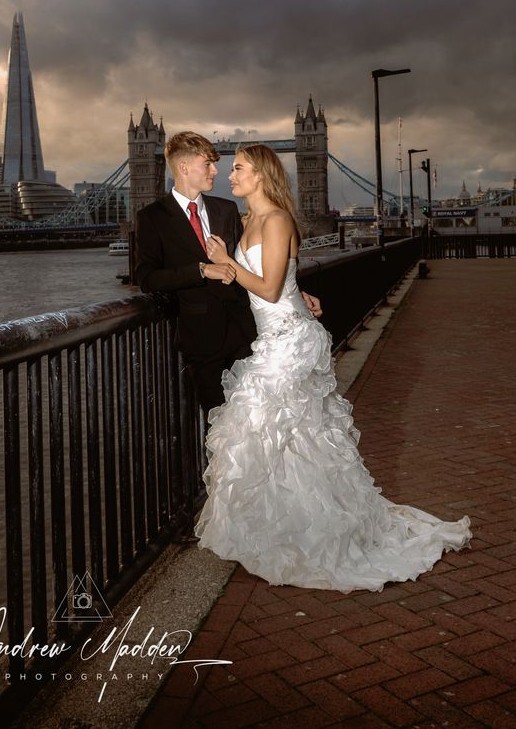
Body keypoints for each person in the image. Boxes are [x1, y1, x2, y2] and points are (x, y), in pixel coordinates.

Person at [195, 144, 471, 591]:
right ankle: (286, 526)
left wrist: (226, 263)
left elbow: (266, 288)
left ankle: (316, 531)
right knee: (289, 435)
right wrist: (294, 290)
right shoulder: (243, 222)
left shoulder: (279, 219)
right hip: (271, 338)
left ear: (261, 174)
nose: (230, 175)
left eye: (239, 168)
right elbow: (281, 280)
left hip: (292, 343)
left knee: (275, 425)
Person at [135, 131, 323, 416]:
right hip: (202, 341)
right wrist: (201, 270)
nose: (216, 171)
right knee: (223, 430)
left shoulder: (227, 209)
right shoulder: (152, 217)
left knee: (262, 422)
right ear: (184, 168)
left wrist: (292, 290)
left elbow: (255, 264)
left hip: (249, 335)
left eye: (220, 164)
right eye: (208, 164)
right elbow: (146, 278)